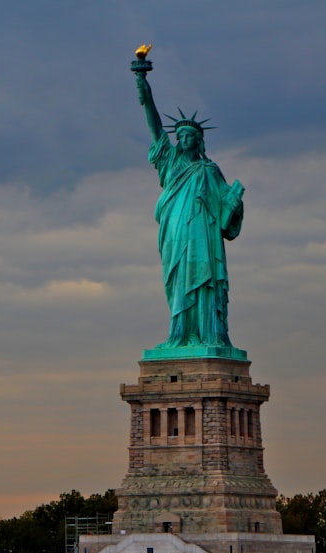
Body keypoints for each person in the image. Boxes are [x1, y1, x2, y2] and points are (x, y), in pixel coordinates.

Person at [133, 59, 245, 351]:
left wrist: (234, 203)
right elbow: (155, 127)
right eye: (179, 135)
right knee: (177, 280)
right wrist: (143, 85)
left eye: (188, 136)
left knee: (204, 281)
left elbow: (226, 215)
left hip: (203, 237)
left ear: (199, 142)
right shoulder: (169, 162)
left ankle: (208, 335)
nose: (182, 139)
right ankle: (179, 334)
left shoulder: (209, 171)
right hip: (174, 231)